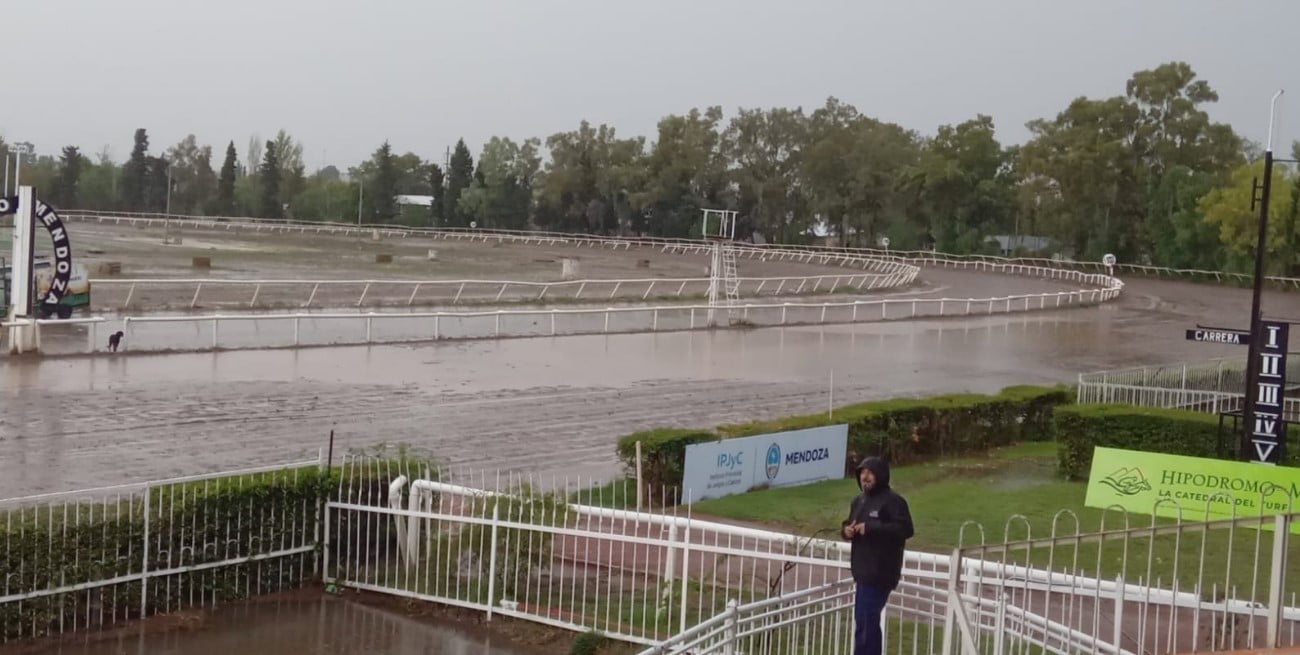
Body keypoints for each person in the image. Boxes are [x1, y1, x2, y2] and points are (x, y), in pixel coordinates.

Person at [841, 456, 913, 655]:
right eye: (862, 473)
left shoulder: (894, 501)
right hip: (862, 571)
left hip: (881, 572)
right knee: (863, 621)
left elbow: (905, 529)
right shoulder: (859, 501)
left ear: (880, 475)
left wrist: (871, 528)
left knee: (867, 620)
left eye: (869, 472)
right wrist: (846, 531)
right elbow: (849, 523)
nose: (865, 477)